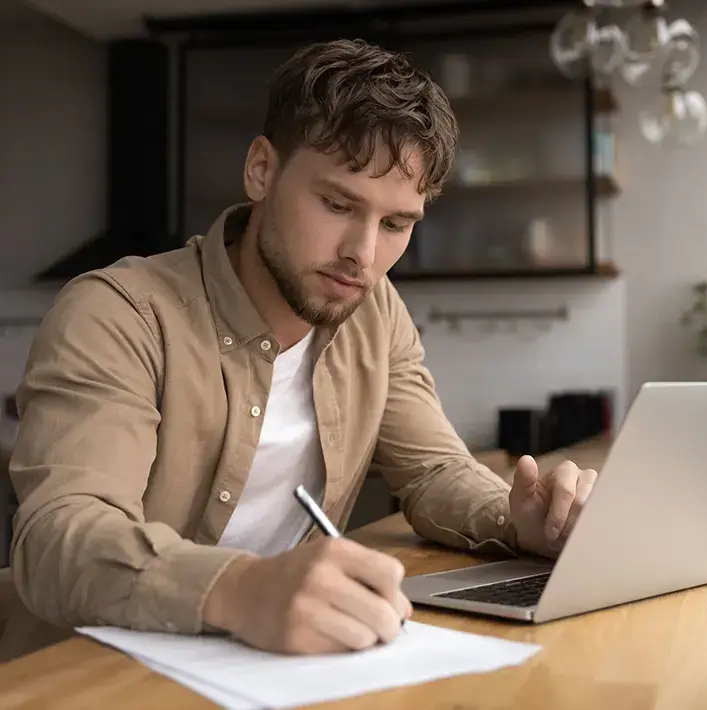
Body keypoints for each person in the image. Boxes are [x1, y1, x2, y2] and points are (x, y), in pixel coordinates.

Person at [0, 38, 598, 662]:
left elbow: (435, 471)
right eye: (338, 204)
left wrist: (518, 520)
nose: (363, 256)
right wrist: (240, 586)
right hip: (86, 672)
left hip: (268, 665)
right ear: (262, 169)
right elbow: (58, 539)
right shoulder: (118, 313)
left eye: (396, 224)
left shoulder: (375, 308)